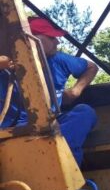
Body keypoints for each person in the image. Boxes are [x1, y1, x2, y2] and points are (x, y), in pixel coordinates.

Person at [0, 18, 98, 166]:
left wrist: (75, 91)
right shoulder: (6, 65)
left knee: (85, 112)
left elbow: (91, 67)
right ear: (31, 39)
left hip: (51, 124)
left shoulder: (60, 60)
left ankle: (61, 158)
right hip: (13, 129)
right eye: (51, 37)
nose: (57, 42)